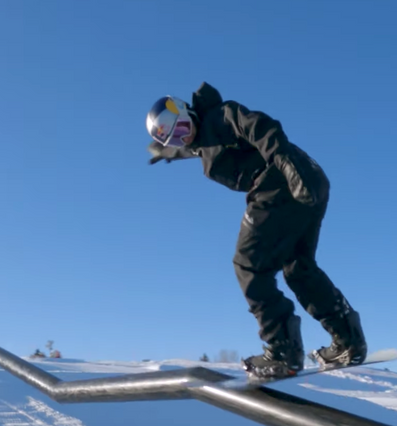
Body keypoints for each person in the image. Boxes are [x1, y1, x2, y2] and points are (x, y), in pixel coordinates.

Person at [145, 82, 367, 379]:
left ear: (187, 110)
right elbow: (200, 147)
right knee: (298, 267)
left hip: (282, 181)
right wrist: (170, 152)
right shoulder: (201, 139)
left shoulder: (221, 115)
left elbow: (261, 127)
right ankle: (347, 340)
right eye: (178, 137)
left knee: (248, 264)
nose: (187, 136)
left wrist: (286, 164)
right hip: (308, 180)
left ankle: (282, 349)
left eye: (184, 127)